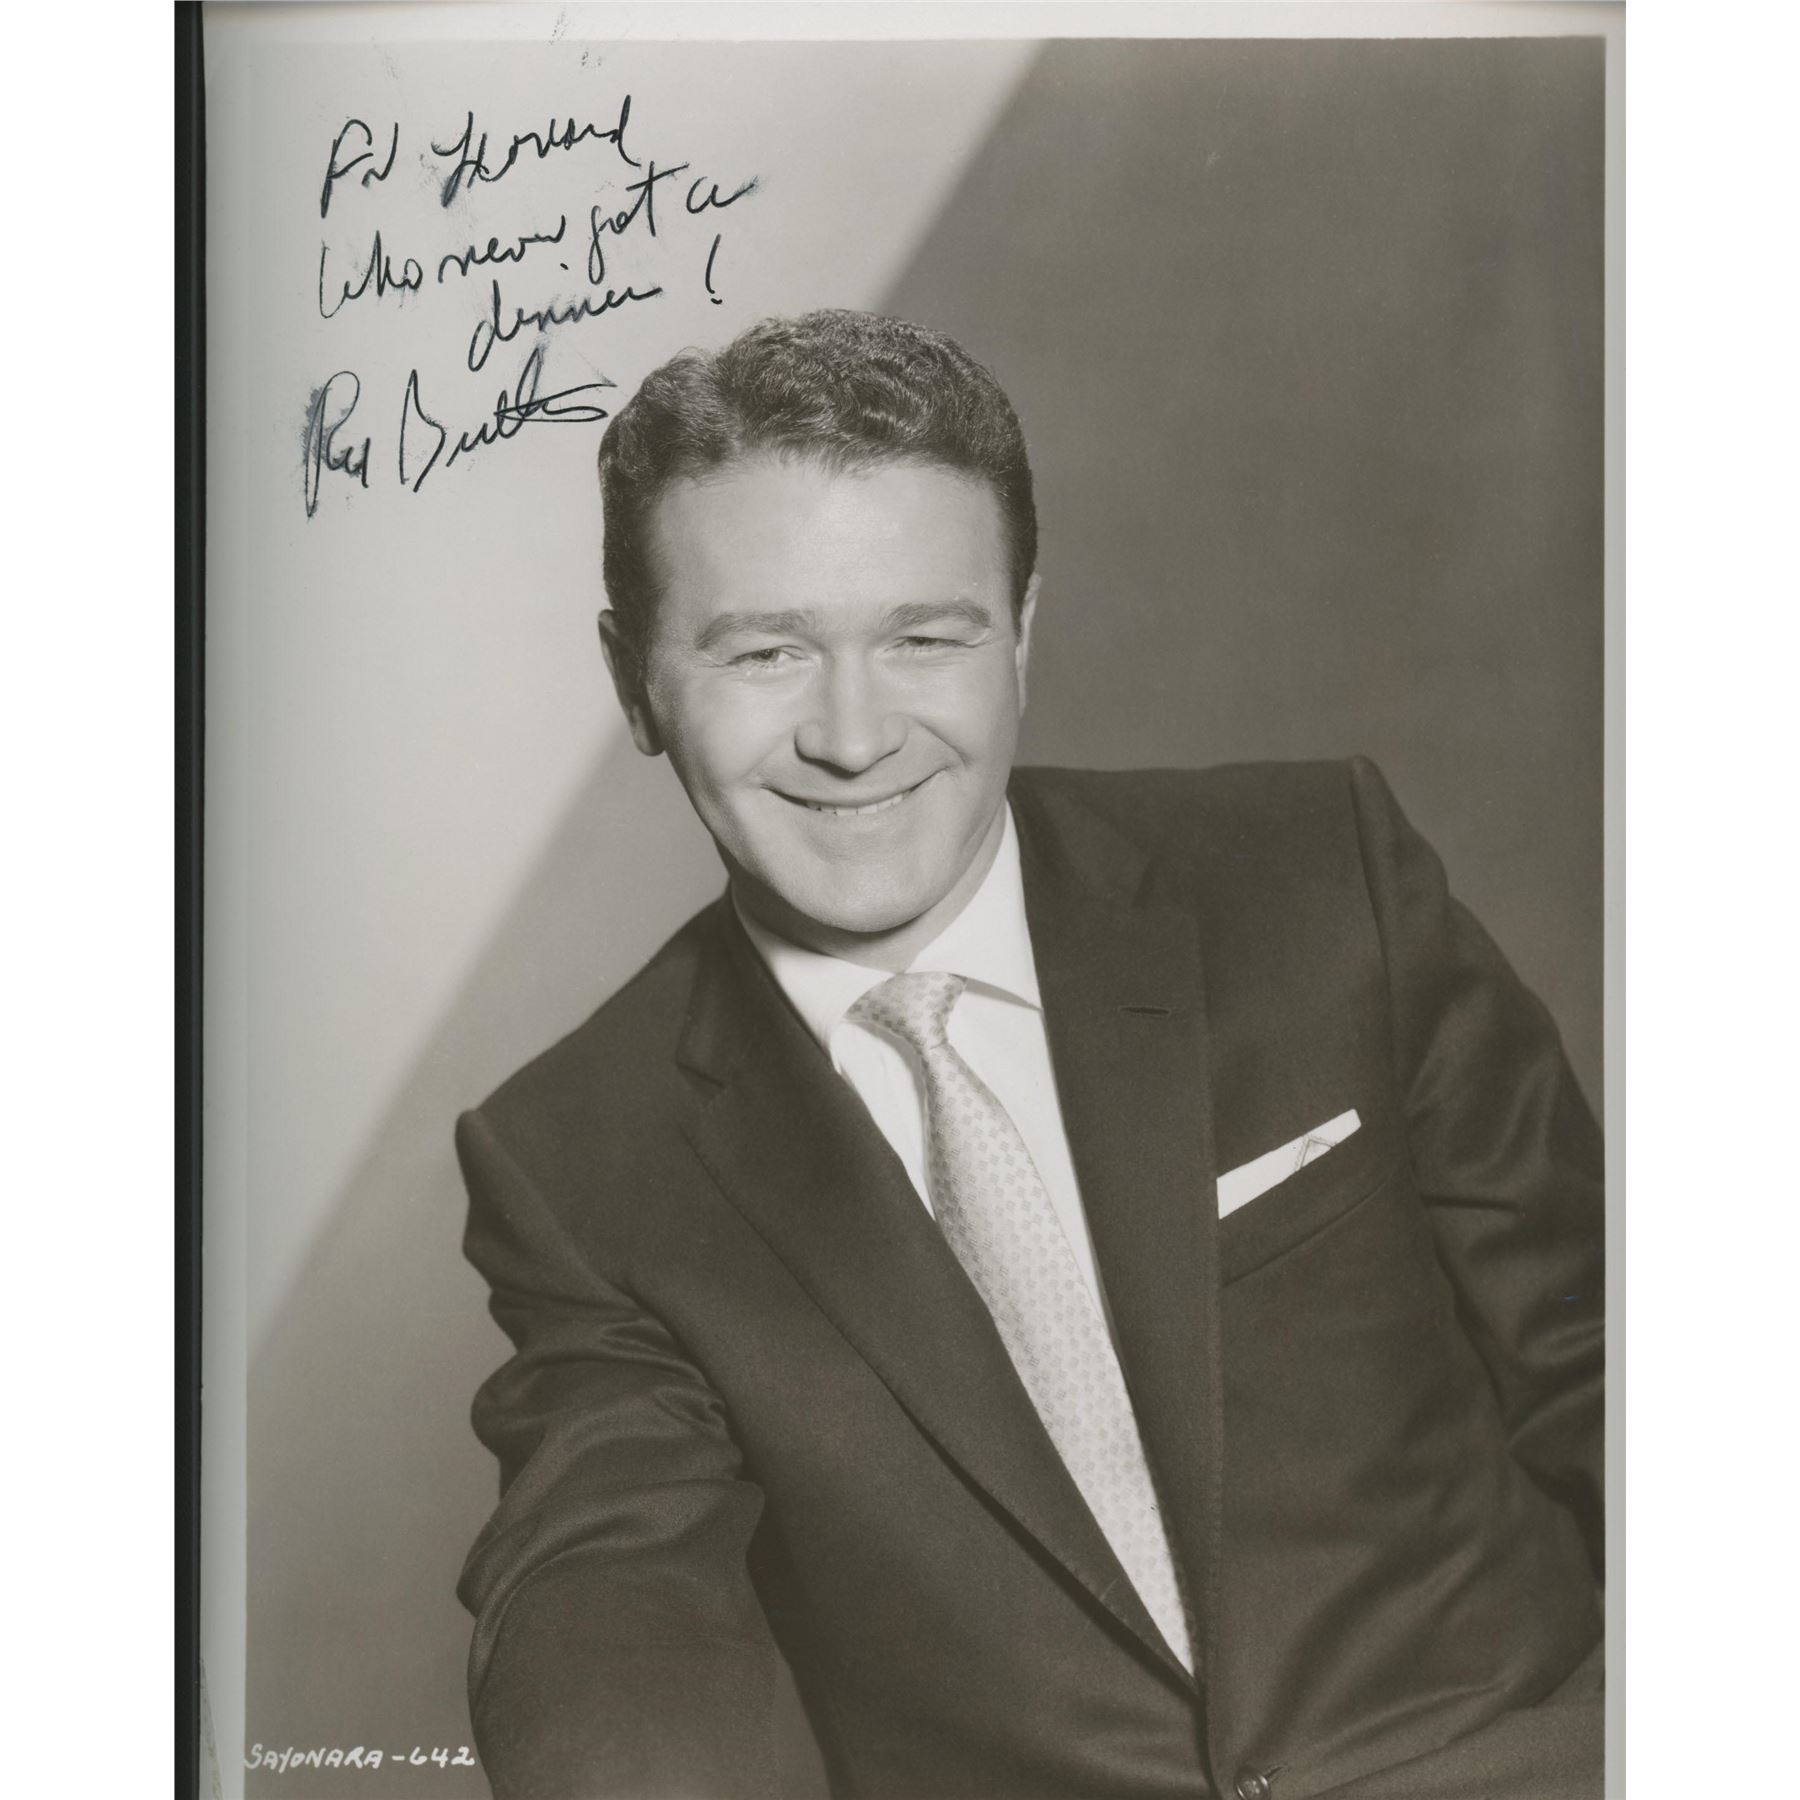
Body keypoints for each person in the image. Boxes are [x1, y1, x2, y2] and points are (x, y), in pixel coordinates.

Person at [454, 310, 1604, 1800]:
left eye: (925, 639)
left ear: (1022, 637)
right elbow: (606, 1596)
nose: (854, 736)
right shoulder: (577, 1158)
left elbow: (1616, 1362)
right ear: (635, 682)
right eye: (767, 652)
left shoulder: (1320, 880)